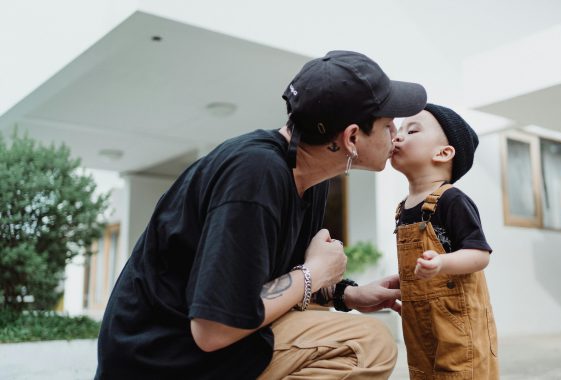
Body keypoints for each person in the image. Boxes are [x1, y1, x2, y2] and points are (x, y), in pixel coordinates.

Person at [95, 50, 427, 379]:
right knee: (367, 344)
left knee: (335, 321)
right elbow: (214, 329)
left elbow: (270, 281)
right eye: (387, 124)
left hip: (197, 349)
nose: (396, 134)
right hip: (162, 359)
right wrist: (315, 271)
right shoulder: (255, 176)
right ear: (352, 137)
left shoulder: (310, 177)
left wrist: (346, 294)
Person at [390, 103, 498, 379]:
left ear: (443, 153)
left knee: (460, 373)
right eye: (398, 130)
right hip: (418, 324)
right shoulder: (403, 207)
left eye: (412, 130)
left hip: (457, 323)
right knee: (422, 372)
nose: (397, 136)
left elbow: (479, 254)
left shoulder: (451, 199)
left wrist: (442, 262)